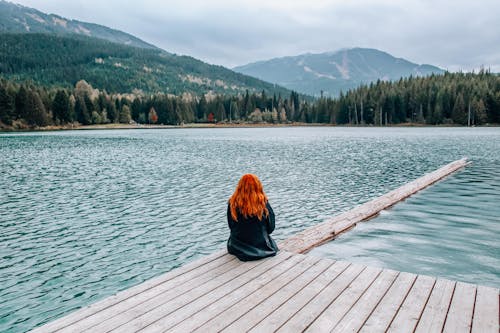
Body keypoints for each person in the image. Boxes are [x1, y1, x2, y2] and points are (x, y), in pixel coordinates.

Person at [227, 174, 279, 261]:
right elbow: (271, 227)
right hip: (262, 247)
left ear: (240, 186)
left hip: (237, 246)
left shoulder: (232, 203)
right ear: (258, 186)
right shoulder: (263, 203)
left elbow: (231, 226)